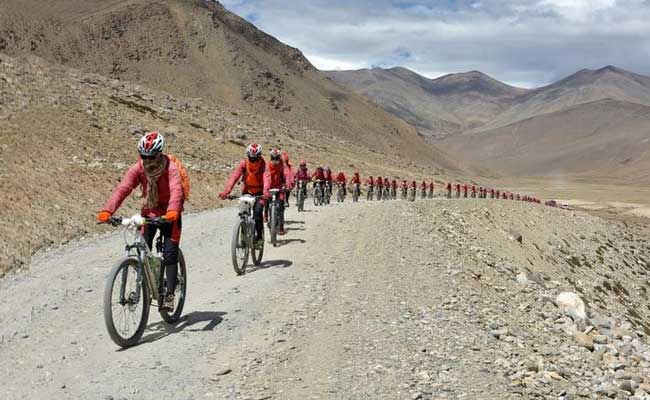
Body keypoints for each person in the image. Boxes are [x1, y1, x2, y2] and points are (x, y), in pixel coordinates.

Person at [97, 132, 184, 311]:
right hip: (150, 212)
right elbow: (124, 188)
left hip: (170, 213)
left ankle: (169, 295)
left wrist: (173, 211)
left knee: (169, 254)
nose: (147, 159)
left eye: (150, 156)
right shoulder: (139, 168)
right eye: (143, 156)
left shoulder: (171, 168)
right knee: (143, 247)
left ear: (159, 154)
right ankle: (149, 279)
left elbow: (176, 189)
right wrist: (108, 210)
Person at [219, 143, 270, 250]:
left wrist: (265, 192)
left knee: (257, 214)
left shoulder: (264, 165)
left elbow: (267, 179)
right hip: (247, 191)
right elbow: (234, 176)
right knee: (243, 214)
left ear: (260, 156)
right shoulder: (244, 163)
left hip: (260, 194)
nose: (253, 160)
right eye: (251, 158)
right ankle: (243, 237)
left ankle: (259, 239)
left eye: (256, 158)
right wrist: (227, 191)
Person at [265, 148, 293, 235]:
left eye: (277, 158)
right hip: (269, 187)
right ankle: (268, 217)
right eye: (273, 158)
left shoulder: (282, 165)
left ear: (279, 158)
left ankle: (281, 227)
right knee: (266, 202)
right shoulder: (267, 165)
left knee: (280, 207)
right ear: (270, 158)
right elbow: (266, 176)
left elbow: (287, 174)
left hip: (279, 188)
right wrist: (265, 188)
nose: (275, 161)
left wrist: (288, 184)